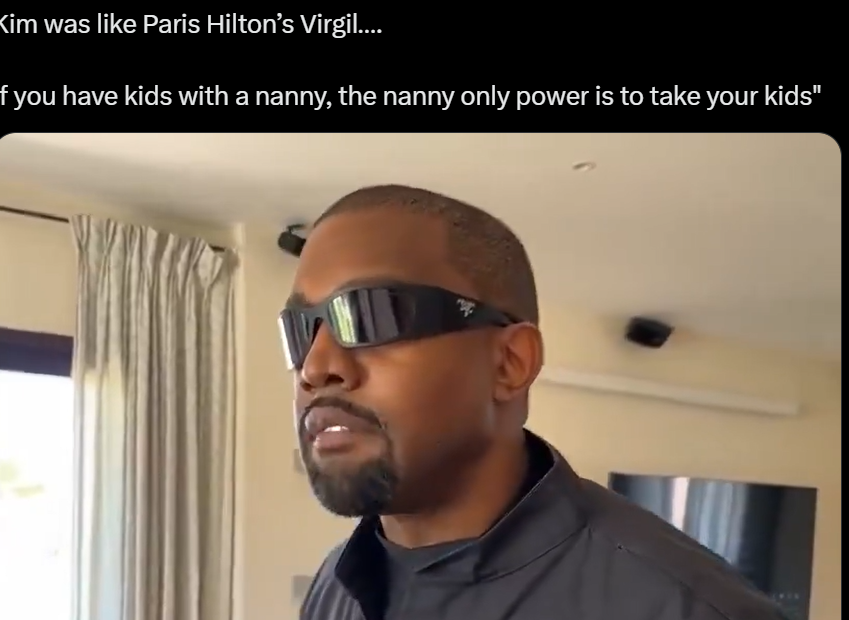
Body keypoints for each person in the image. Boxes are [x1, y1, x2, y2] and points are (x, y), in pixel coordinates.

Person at [283, 184, 788, 620]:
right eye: (300, 330)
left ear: (510, 363)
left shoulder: (682, 607)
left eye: (369, 314)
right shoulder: (336, 586)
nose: (314, 367)